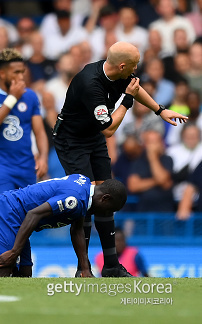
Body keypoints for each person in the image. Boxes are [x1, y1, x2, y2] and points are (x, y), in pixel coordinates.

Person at [52, 41, 188, 277]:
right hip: (71, 141)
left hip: (92, 137)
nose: (137, 69)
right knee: (85, 199)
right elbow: (109, 129)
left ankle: (112, 266)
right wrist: (126, 101)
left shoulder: (120, 72)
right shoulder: (90, 83)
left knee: (107, 194)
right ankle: (82, 269)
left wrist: (160, 110)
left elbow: (135, 87)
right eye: (135, 64)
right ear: (123, 65)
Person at [0, 48, 48, 199]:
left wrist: (43, 158)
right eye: (16, 72)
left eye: (22, 71)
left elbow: (39, 132)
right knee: (2, 209)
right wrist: (12, 98)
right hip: (0, 167)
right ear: (2, 73)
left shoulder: (30, 96)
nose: (21, 77)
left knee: (29, 216)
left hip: (27, 167)